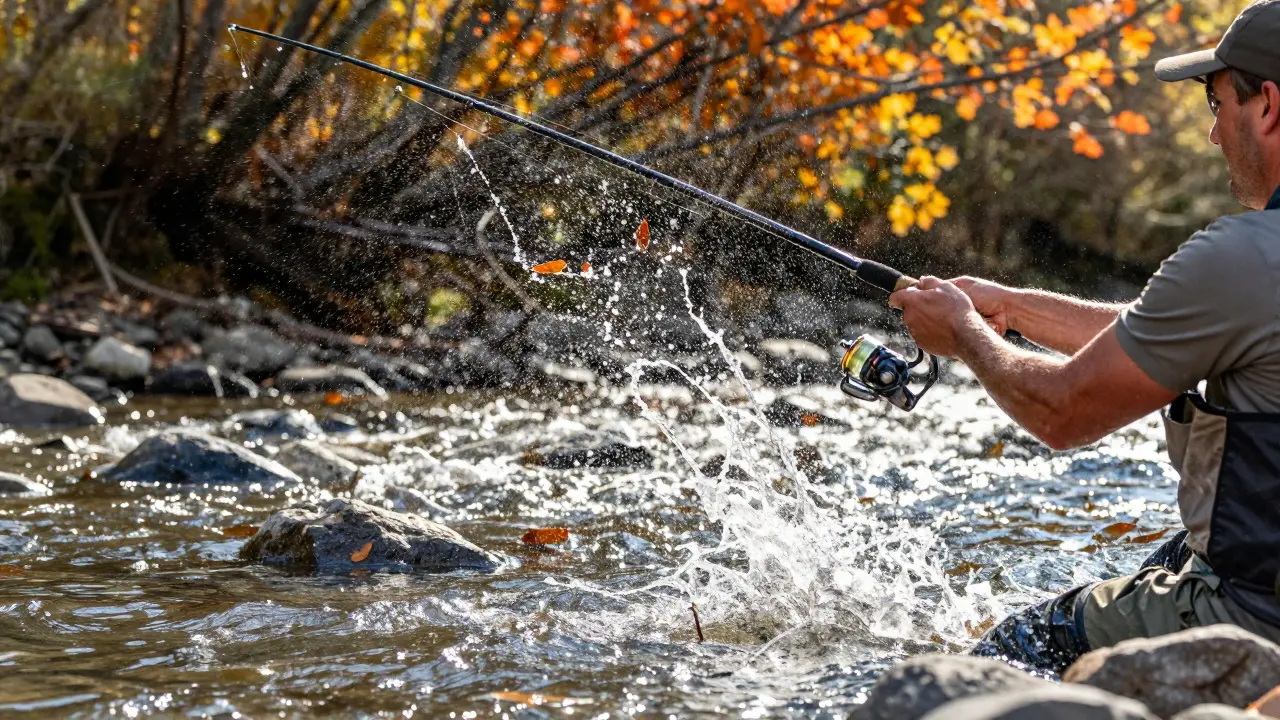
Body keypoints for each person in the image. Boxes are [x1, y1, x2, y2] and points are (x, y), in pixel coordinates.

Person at [888, 0, 1280, 672]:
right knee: (1165, 560)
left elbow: (1064, 411)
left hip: (1258, 614)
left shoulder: (1241, 256)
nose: (1215, 134)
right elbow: (1179, 335)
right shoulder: (1252, 270)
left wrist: (964, 335)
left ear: (1267, 105)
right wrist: (1012, 307)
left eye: (1217, 104)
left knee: (1011, 651)